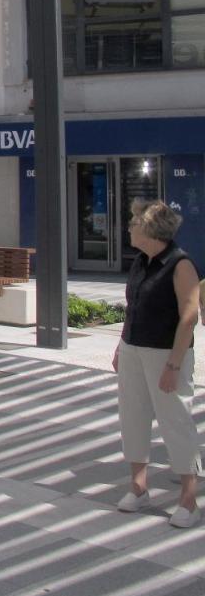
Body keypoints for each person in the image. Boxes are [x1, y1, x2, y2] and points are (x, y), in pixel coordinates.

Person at [113, 199, 201, 529]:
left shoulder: (180, 264)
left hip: (166, 353)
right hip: (134, 349)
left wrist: (174, 365)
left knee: (175, 421)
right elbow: (133, 307)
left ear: (150, 229)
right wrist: (122, 344)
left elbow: (189, 317)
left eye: (134, 222)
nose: (129, 227)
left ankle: (189, 501)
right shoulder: (140, 262)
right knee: (132, 417)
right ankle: (138, 487)